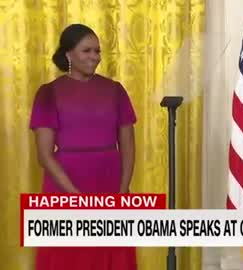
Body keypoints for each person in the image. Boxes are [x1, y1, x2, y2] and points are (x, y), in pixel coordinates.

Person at [29, 24, 137, 270]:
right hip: (65, 186)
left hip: (110, 183)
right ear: (68, 54)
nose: (95, 57)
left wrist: (122, 192)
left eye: (97, 51)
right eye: (87, 51)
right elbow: (44, 156)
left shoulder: (115, 90)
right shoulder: (48, 93)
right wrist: (77, 198)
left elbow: (129, 147)